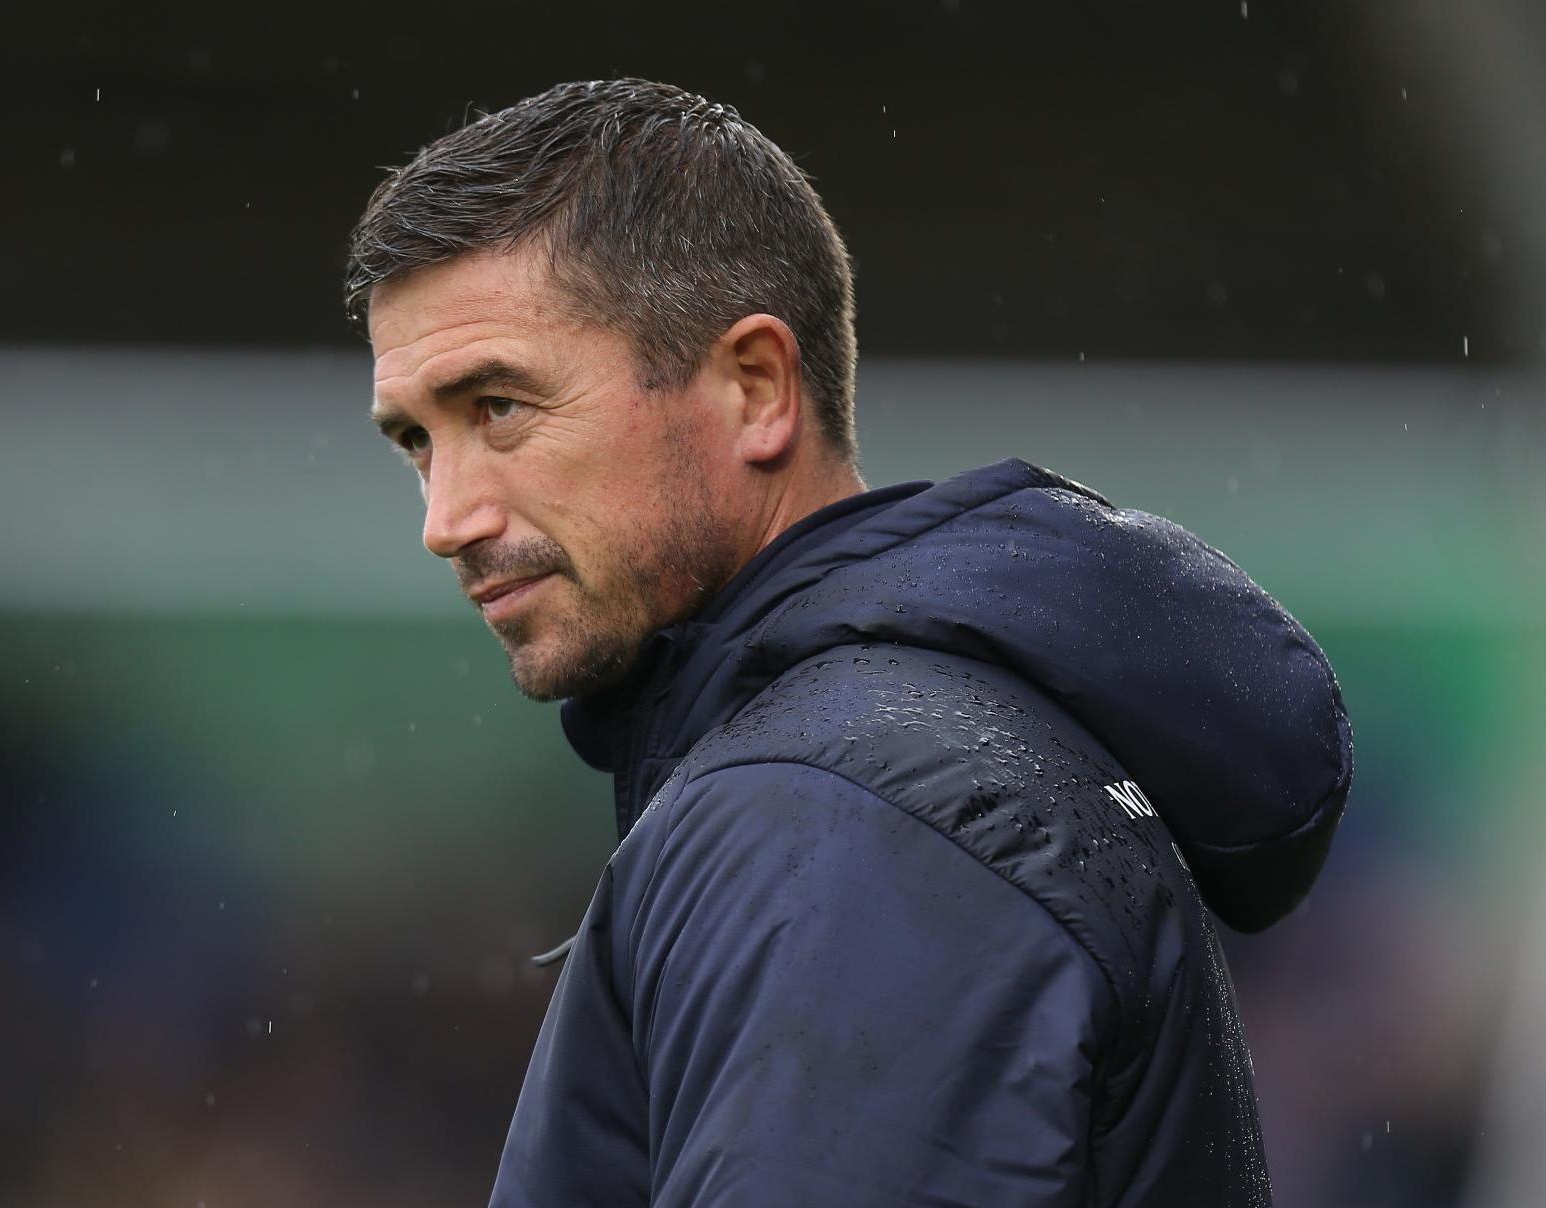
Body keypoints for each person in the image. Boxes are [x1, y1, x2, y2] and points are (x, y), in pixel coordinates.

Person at [347, 78, 1352, 1207]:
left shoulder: (842, 806)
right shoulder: (880, 760)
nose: (447, 519)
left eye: (499, 408)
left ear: (756, 387)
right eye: (416, 443)